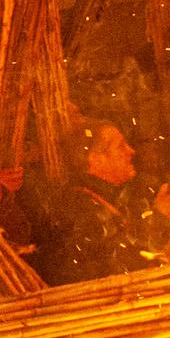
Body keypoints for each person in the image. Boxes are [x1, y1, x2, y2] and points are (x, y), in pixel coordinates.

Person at [37, 119, 161, 286]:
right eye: (120, 146)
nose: (131, 151)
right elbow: (115, 266)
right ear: (95, 159)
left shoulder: (121, 195)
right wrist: (162, 217)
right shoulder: (78, 208)